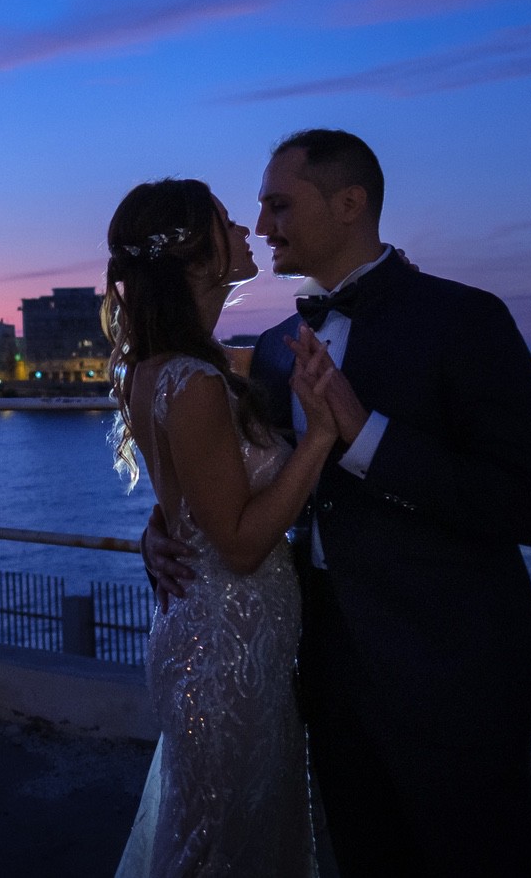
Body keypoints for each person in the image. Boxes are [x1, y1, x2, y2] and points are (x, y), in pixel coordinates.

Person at [142, 130, 531, 877]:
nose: (260, 227)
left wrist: (365, 432)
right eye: (258, 207)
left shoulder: (465, 320)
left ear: (349, 203)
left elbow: (526, 504)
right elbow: (246, 480)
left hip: (450, 674)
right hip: (324, 676)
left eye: (279, 204)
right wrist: (161, 525)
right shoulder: (282, 345)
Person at [103, 177, 347, 876]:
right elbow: (239, 542)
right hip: (226, 645)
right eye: (227, 222)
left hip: (221, 633)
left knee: (223, 830)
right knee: (220, 843)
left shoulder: (171, 368)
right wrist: (321, 436)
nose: (247, 229)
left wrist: (160, 524)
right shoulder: (196, 380)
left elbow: (190, 492)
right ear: (197, 255)